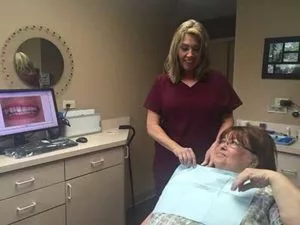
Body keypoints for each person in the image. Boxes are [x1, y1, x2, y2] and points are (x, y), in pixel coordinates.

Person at [144, 19, 242, 195]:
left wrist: (217, 145)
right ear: (176, 50)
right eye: (185, 48)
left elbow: (227, 119)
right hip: (169, 162)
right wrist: (177, 148)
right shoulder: (162, 83)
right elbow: (152, 125)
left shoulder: (217, 81)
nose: (190, 54)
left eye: (196, 49)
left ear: (202, 52)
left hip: (207, 161)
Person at [141, 125, 287, 225]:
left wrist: (276, 177)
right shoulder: (188, 174)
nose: (223, 145)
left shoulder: (266, 192)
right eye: (222, 141)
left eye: (234, 143)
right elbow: (158, 212)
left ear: (254, 161)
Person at [232, 168, 300, 225]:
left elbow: (296, 220)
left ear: (254, 161)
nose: (222, 151)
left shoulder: (268, 193)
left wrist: (274, 177)